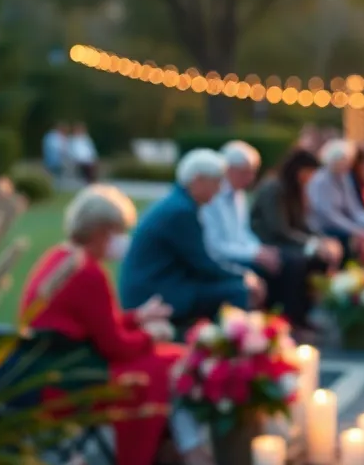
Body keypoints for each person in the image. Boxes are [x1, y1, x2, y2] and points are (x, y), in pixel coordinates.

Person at [0, 185, 238, 465]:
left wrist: (138, 318)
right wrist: (150, 336)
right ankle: (189, 457)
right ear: (98, 231)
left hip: (46, 371)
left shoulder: (59, 257)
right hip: (68, 381)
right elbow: (116, 347)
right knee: (176, 364)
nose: (122, 241)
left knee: (171, 360)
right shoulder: (88, 272)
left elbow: (93, 324)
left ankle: (176, 454)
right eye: (117, 232)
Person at [119, 149, 265, 324]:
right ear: (198, 180)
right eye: (216, 182)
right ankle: (228, 343)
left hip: (159, 284)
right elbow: (202, 264)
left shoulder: (179, 203)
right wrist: (244, 276)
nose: (219, 190)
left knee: (234, 286)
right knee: (238, 290)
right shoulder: (181, 212)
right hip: (153, 293)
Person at [201, 141, 319, 332]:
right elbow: (218, 245)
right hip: (226, 257)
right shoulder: (214, 196)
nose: (251, 178)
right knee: (286, 264)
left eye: (253, 172)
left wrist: (260, 250)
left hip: (244, 250)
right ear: (229, 170)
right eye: (246, 172)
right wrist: (255, 254)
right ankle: (276, 324)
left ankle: (286, 322)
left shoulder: (237, 195)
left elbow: (243, 232)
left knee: (286, 260)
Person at [250, 147, 343, 267]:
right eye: (309, 173)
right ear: (298, 171)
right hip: (270, 241)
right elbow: (279, 230)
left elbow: (302, 224)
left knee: (327, 250)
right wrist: (314, 244)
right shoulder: (274, 189)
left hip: (288, 240)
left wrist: (323, 240)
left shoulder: (295, 189)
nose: (310, 178)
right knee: (304, 258)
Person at [306, 139, 364, 252]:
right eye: (343, 160)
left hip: (345, 224)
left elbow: (354, 208)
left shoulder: (344, 178)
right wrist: (355, 229)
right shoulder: (321, 181)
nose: (347, 164)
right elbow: (329, 216)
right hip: (325, 228)